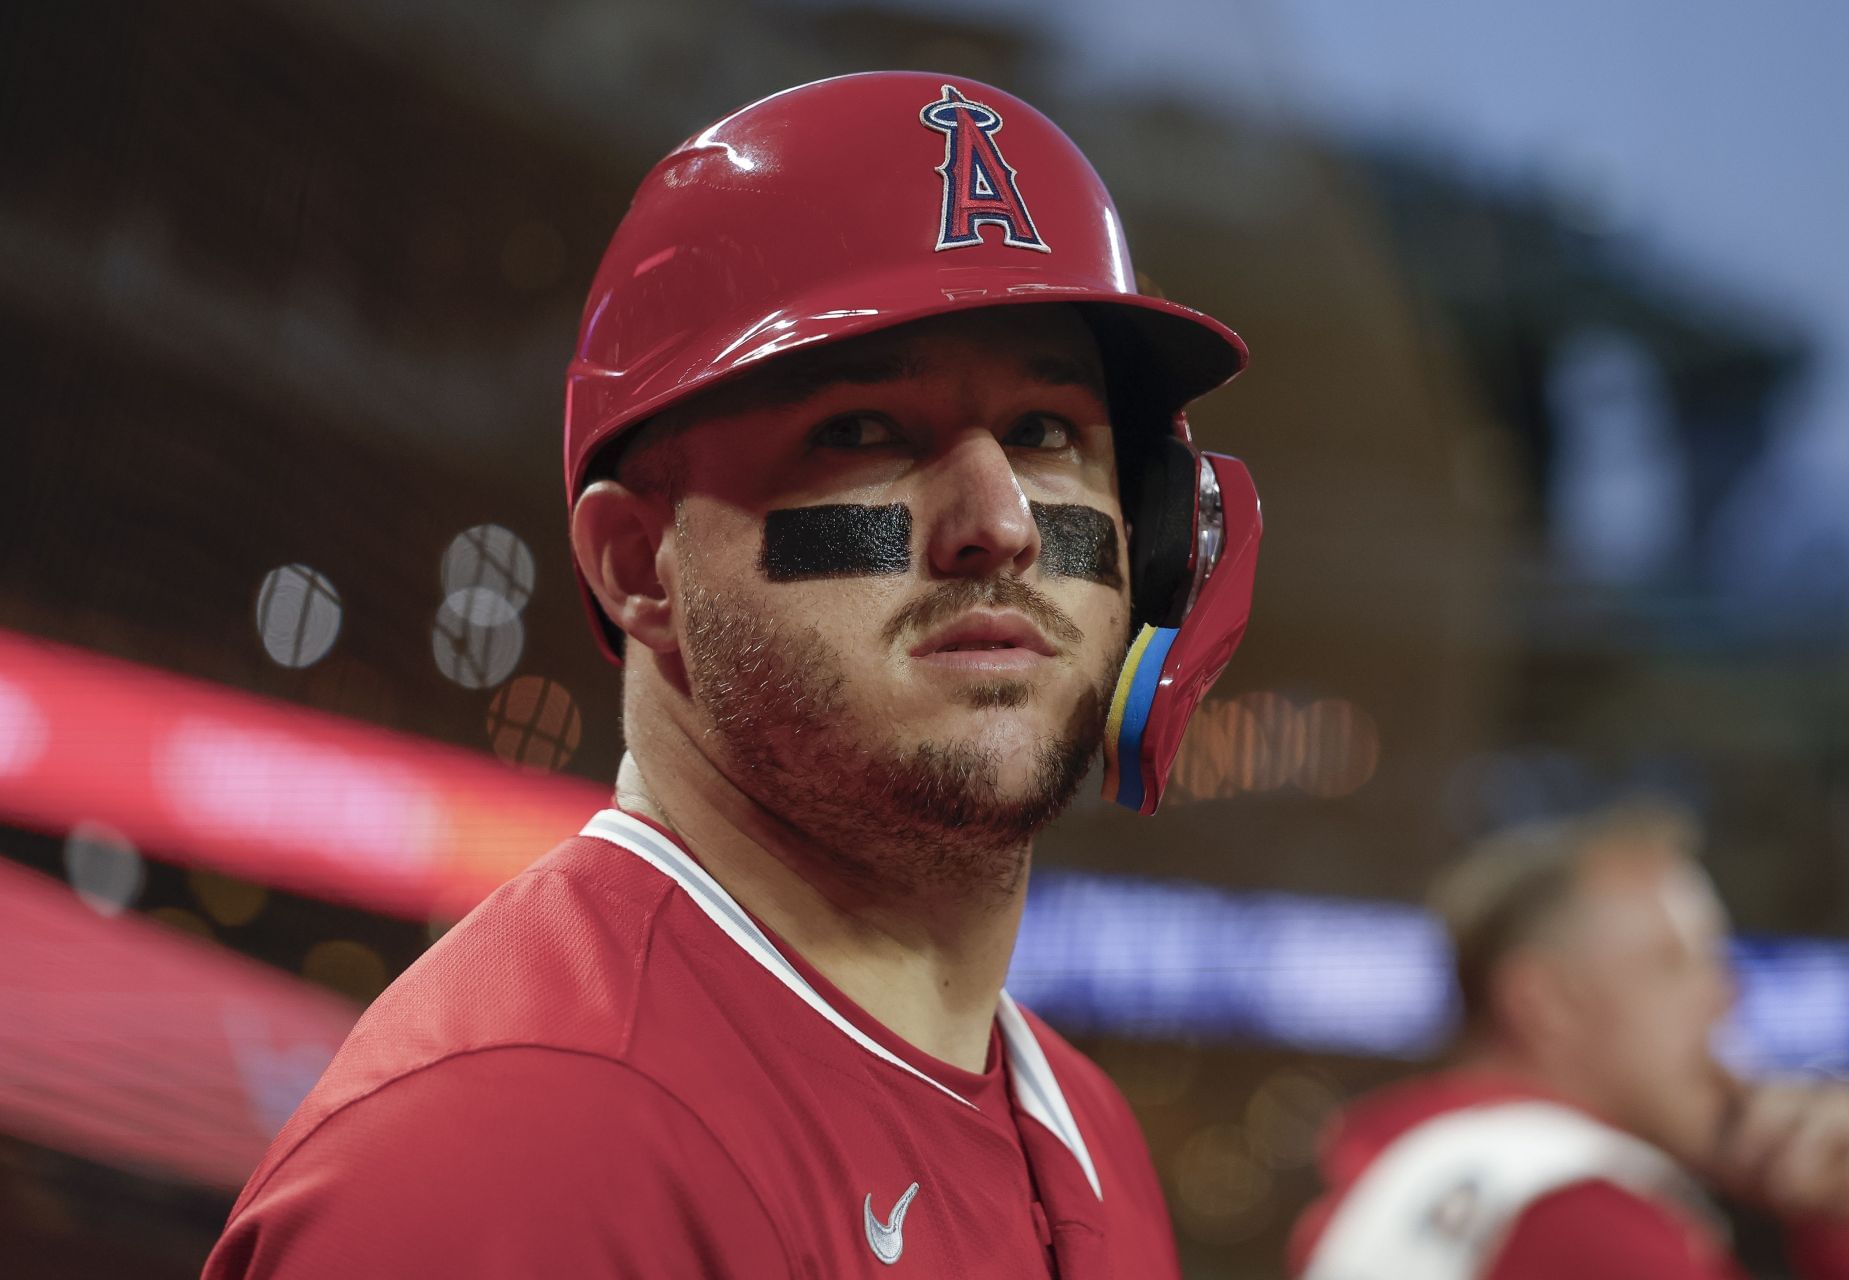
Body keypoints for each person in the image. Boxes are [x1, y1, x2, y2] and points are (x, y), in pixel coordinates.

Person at [204, 71, 1260, 1278]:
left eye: (1045, 431)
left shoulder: (1088, 1132)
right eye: (862, 430)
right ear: (635, 566)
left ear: (1161, 538)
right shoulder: (516, 1150)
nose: (1000, 522)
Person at [1289, 801, 1849, 1280]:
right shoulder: (1581, 1216)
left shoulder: (1411, 1180)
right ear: (1544, 1002)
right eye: (1672, 964)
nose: (1725, 997)